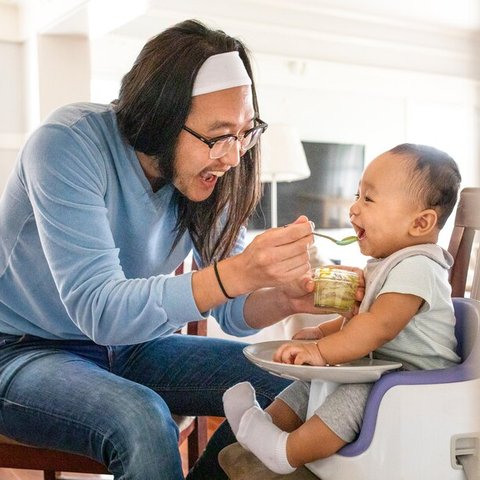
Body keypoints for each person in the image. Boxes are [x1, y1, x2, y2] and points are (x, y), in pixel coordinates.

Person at [0, 19, 326, 480]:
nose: (233, 157)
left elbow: (230, 313)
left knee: (292, 386)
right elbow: (101, 312)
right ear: (160, 118)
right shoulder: (68, 145)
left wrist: (286, 297)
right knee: (141, 420)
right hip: (20, 350)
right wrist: (238, 271)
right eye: (217, 136)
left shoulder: (215, 171)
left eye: (245, 133)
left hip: (131, 346)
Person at [223, 143, 462, 474]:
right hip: (389, 368)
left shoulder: (419, 265)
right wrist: (321, 333)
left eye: (369, 199)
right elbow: (362, 318)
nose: (353, 209)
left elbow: (378, 326)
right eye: (357, 195)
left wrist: (321, 350)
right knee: (313, 382)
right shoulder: (388, 263)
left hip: (418, 381)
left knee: (352, 395)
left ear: (420, 223)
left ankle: (286, 452)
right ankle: (262, 426)